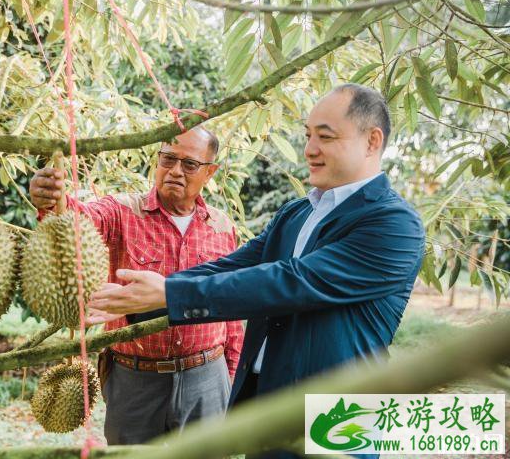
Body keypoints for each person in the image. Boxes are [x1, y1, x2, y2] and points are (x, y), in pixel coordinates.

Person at [87, 84, 426, 458]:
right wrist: (153, 292)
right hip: (266, 402)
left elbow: (292, 282)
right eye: (308, 135)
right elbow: (234, 266)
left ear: (371, 141)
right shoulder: (297, 213)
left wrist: (170, 294)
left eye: (325, 137)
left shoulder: (394, 224)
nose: (310, 149)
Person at [29, 126, 245, 445]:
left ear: (210, 172)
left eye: (189, 164)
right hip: (135, 378)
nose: (174, 170)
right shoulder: (122, 212)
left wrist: (229, 374)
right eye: (168, 159)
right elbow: (78, 222)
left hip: (206, 376)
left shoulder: (221, 227)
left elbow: (232, 311)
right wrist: (52, 200)